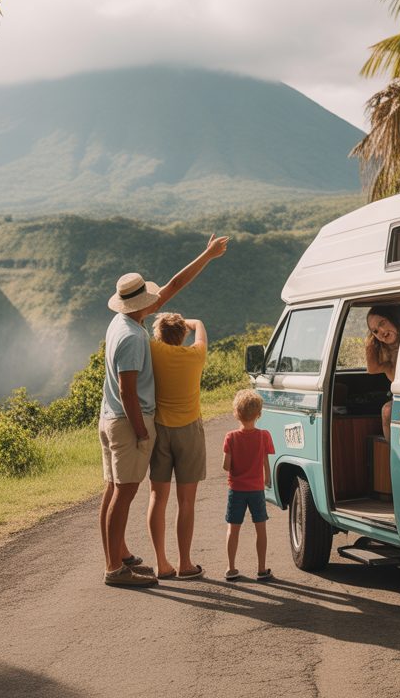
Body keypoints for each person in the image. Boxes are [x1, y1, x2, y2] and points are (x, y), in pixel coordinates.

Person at [99, 234, 228, 588]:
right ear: (141, 303)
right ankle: (115, 568)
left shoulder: (130, 328)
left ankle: (126, 556)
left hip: (116, 418)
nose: (157, 300)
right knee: (123, 493)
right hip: (130, 423)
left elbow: (172, 287)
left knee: (117, 491)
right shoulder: (135, 339)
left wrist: (205, 255)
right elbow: (127, 389)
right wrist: (141, 431)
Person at [147, 313, 208, 580]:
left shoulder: (154, 350)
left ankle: (161, 562)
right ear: (183, 334)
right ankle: (185, 563)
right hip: (190, 432)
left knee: (157, 498)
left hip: (160, 431)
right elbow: (200, 328)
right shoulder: (196, 355)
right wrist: (189, 321)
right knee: (186, 501)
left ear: (159, 335)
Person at [222, 389, 275, 582]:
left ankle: (231, 567)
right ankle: (261, 568)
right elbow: (265, 461)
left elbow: (226, 465)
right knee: (260, 528)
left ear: (236, 413)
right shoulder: (264, 436)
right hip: (256, 489)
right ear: (259, 414)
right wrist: (267, 477)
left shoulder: (231, 437)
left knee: (233, 528)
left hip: (236, 489)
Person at [364, 305, 400, 432]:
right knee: (387, 411)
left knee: (387, 411)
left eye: (382, 323)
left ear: (393, 319)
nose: (381, 331)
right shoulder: (384, 352)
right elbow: (372, 369)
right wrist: (369, 346)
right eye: (375, 331)